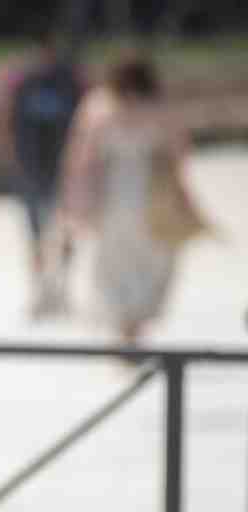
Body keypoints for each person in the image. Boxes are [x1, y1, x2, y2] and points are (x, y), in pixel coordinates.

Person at [59, 53, 211, 346]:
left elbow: (81, 159)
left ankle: (125, 326)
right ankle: (135, 324)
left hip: (113, 194)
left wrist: (74, 202)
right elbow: (179, 154)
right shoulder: (160, 107)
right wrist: (182, 194)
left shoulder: (99, 106)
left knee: (115, 263)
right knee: (152, 260)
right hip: (152, 193)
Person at [0, 18, 84, 320]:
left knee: (66, 229)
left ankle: (62, 287)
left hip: (63, 164)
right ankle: (42, 289)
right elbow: (0, 112)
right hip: (32, 164)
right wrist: (5, 153)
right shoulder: (18, 78)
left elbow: (87, 116)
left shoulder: (70, 77)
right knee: (35, 232)